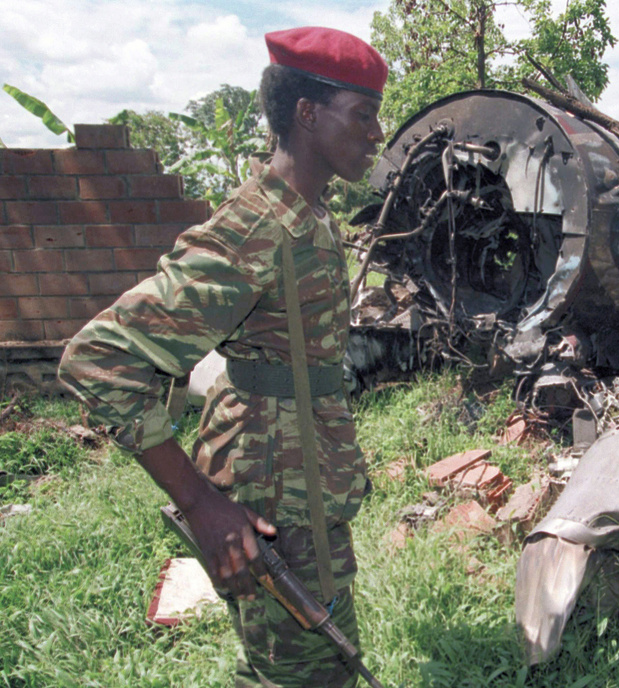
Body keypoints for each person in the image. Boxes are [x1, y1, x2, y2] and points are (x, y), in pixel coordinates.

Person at [58, 26, 387, 688]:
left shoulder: (311, 217)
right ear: (306, 113)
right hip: (273, 506)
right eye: (364, 114)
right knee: (291, 676)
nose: (377, 132)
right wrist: (201, 503)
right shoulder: (255, 230)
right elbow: (97, 357)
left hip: (309, 490)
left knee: (321, 666)